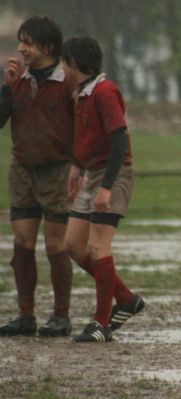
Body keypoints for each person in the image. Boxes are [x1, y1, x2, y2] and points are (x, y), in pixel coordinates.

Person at [62, 36, 144, 342]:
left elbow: (119, 140)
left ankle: (101, 324)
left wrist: (106, 187)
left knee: (98, 248)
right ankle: (126, 298)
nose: (62, 67)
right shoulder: (81, 93)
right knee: (72, 244)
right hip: (91, 173)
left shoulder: (105, 92)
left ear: (74, 62)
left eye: (64, 61)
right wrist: (76, 165)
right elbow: (84, 137)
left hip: (113, 174)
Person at [0, 16, 75, 337]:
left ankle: (60, 315)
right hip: (23, 170)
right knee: (22, 242)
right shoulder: (16, 80)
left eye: (28, 42)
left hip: (59, 171)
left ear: (48, 47)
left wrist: (79, 168)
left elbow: (84, 127)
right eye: (21, 41)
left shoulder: (69, 81)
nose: (21, 48)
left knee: (55, 244)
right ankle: (25, 314)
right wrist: (5, 87)